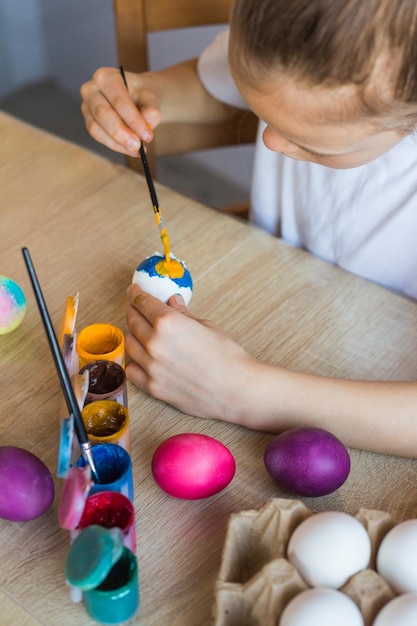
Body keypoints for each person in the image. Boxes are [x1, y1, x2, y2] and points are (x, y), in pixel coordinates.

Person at [81, 0, 417, 458]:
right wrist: (147, 93)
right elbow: (210, 85)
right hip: (275, 300)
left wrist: (242, 392)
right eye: (263, 111)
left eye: (312, 145)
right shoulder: (295, 32)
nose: (270, 141)